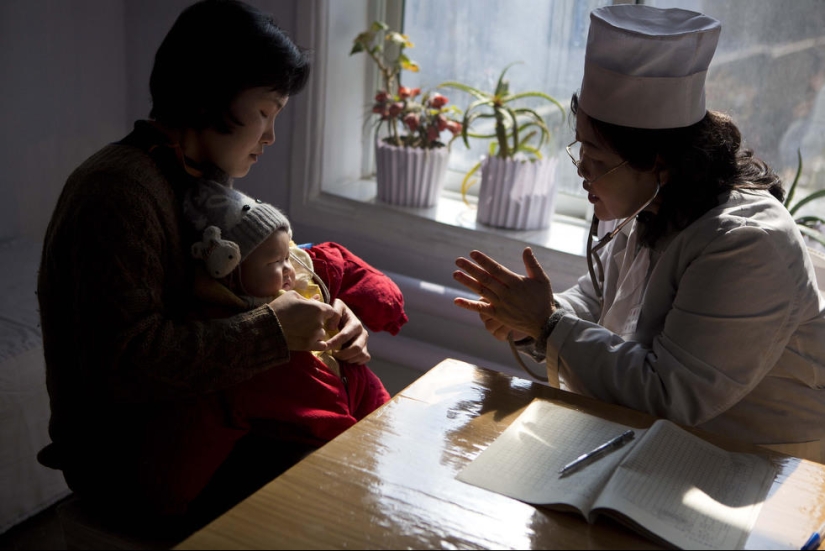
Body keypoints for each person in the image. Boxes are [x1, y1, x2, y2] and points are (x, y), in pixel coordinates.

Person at [35, 0, 377, 534]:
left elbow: (237, 289)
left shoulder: (196, 179)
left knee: (360, 459)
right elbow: (125, 362)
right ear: (210, 94)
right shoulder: (119, 192)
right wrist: (274, 331)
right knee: (342, 494)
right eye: (265, 112)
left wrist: (329, 313)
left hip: (193, 426)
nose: (269, 137)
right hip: (131, 461)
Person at [453, 4, 825, 461]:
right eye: (579, 149)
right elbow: (594, 302)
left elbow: (670, 393)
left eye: (597, 159)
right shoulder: (650, 205)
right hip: (669, 445)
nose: (582, 172)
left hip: (767, 462)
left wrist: (546, 324)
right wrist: (527, 319)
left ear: (661, 164)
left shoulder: (747, 244)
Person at [182, 178, 398, 447]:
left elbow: (338, 262)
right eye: (275, 262)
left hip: (352, 377)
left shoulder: (300, 275)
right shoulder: (225, 313)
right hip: (307, 402)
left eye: (288, 256)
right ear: (233, 276)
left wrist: (385, 305)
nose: (289, 269)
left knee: (389, 422)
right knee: (347, 444)